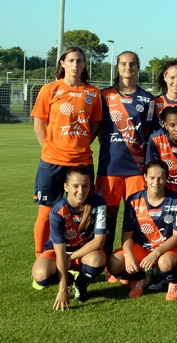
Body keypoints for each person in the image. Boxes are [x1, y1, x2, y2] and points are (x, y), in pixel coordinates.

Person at [31, 46, 102, 259]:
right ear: (62, 63)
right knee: (46, 211)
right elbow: (38, 124)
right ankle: (41, 257)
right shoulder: (49, 90)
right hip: (52, 161)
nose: (75, 64)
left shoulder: (93, 93)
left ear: (84, 65)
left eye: (79, 60)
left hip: (81, 161)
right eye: (71, 60)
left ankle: (80, 260)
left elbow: (96, 126)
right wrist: (49, 147)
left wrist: (80, 144)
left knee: (85, 211)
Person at [96, 50, 155, 261]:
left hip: (136, 168)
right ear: (117, 67)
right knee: (107, 215)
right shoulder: (105, 96)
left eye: (132, 64)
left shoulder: (147, 99)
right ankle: (105, 259)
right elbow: (101, 130)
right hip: (110, 167)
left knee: (137, 216)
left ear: (138, 68)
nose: (128, 68)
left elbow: (146, 133)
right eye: (123, 64)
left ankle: (133, 261)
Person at [107, 160, 177, 300]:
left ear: (167, 178)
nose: (156, 182)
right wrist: (130, 255)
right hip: (142, 248)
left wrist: (156, 253)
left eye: (161, 178)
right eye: (152, 178)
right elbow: (127, 234)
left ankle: (174, 282)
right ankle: (140, 278)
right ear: (145, 177)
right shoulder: (133, 200)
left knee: (165, 263)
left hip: (167, 249)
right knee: (114, 263)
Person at [31, 166, 107, 309]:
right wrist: (63, 287)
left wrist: (71, 258)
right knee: (41, 275)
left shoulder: (99, 204)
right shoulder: (57, 211)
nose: (81, 191)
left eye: (85, 186)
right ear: (66, 187)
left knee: (98, 260)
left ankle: (81, 282)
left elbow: (99, 241)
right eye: (75, 186)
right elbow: (59, 251)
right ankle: (70, 278)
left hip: (84, 252)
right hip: (58, 253)